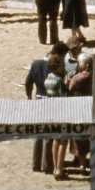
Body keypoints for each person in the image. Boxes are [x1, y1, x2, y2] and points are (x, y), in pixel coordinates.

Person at [26, 42, 68, 173]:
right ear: (59, 54)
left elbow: (28, 82)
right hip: (52, 101)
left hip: (38, 99)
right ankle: (47, 165)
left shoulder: (36, 64)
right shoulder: (56, 66)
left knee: (38, 133)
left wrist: (29, 97)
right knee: (50, 134)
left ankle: (36, 164)